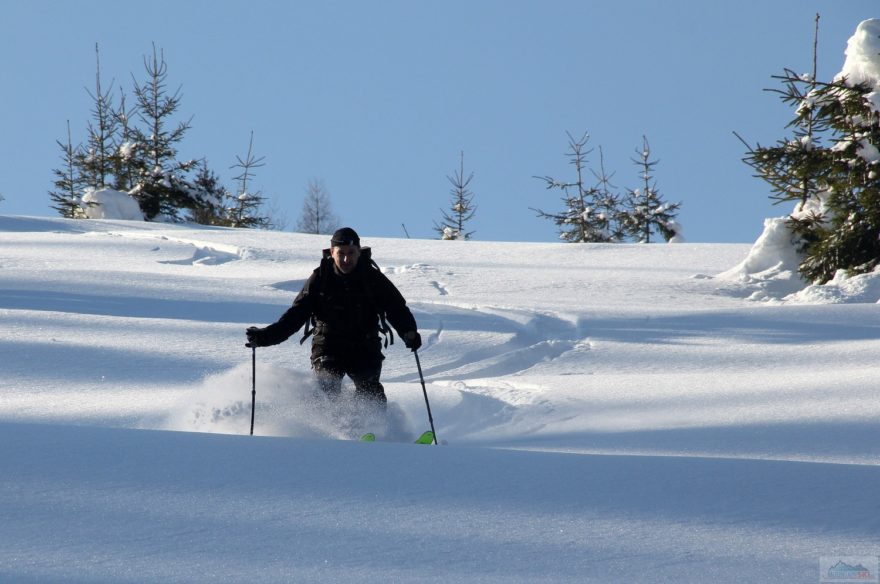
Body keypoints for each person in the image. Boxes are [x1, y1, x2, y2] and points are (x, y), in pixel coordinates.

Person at [245, 227, 421, 406]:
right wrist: (265, 337)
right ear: (332, 252)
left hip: (365, 345)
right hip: (328, 345)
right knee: (327, 387)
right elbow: (295, 316)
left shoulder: (373, 278)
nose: (346, 259)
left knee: (370, 390)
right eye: (341, 253)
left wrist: (409, 332)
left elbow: (396, 308)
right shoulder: (320, 278)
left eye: (351, 253)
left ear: (359, 252)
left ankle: (374, 430)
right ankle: (331, 429)